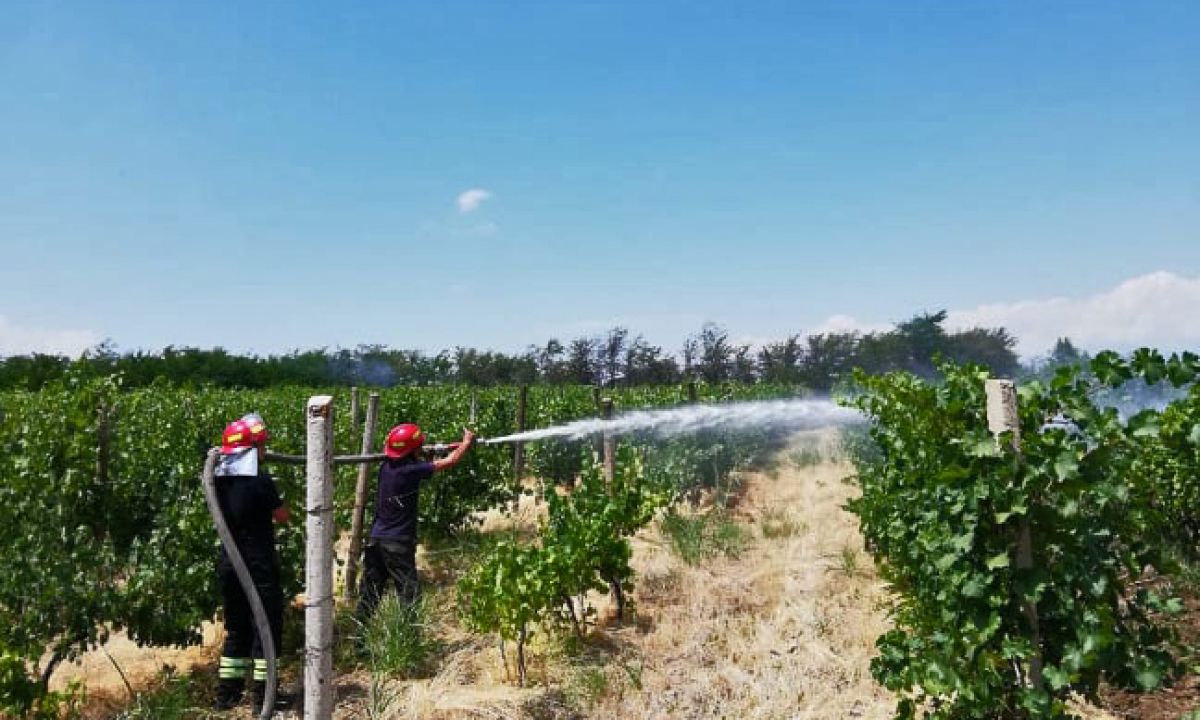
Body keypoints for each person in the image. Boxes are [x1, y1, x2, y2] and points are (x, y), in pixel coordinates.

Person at [213, 413, 293, 712]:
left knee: (237, 629)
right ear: (252, 448)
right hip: (257, 565)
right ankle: (265, 698)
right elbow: (282, 515)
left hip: (230, 564)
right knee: (266, 629)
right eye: (261, 445)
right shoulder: (259, 478)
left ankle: (227, 697)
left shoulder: (216, 478)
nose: (264, 450)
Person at [356, 424, 476, 620]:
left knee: (369, 595)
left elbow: (420, 461)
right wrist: (466, 442)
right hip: (398, 544)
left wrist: (442, 449)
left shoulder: (386, 467)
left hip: (376, 540)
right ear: (412, 450)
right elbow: (451, 461)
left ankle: (359, 643)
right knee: (408, 596)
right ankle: (409, 640)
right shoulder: (410, 470)